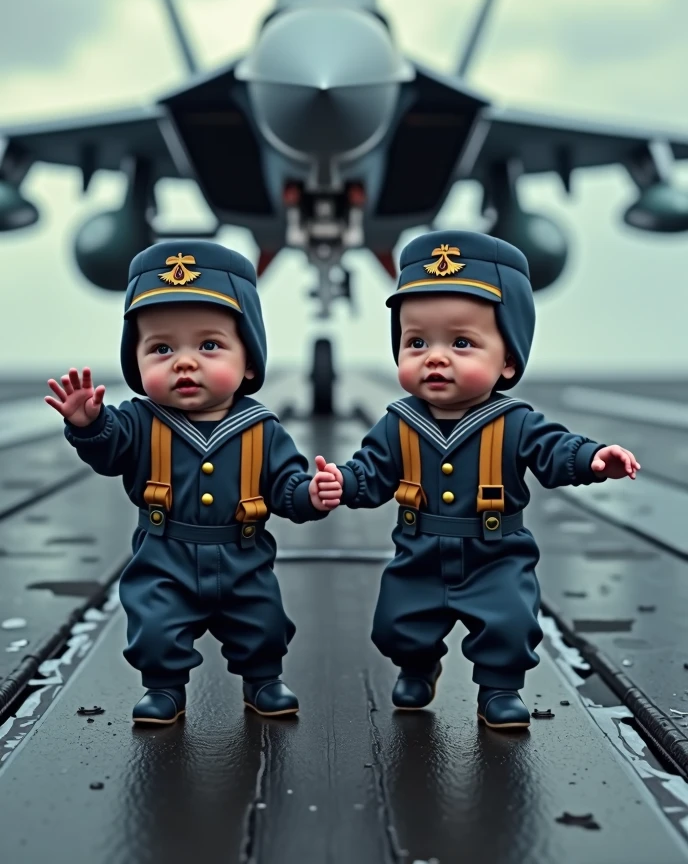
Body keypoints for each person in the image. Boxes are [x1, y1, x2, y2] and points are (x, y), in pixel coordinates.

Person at [315, 230, 639, 729]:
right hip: (419, 553)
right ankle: (417, 665)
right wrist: (344, 482)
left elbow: (555, 448)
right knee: (398, 624)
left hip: (495, 554)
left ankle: (499, 689)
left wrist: (592, 458)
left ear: (508, 359)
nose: (435, 357)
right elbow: (373, 472)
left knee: (508, 624)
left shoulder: (516, 422)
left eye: (461, 342)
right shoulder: (398, 423)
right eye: (416, 342)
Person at [45, 241, 342, 725]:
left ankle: (263, 680)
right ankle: (164, 689)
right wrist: (88, 425)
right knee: (156, 628)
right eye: (161, 348)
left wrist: (310, 494)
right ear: (136, 365)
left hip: (242, 557)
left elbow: (285, 486)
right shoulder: (138, 421)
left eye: (209, 345)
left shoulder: (262, 429)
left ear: (248, 362)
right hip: (166, 557)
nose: (184, 362)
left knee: (262, 625)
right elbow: (109, 449)